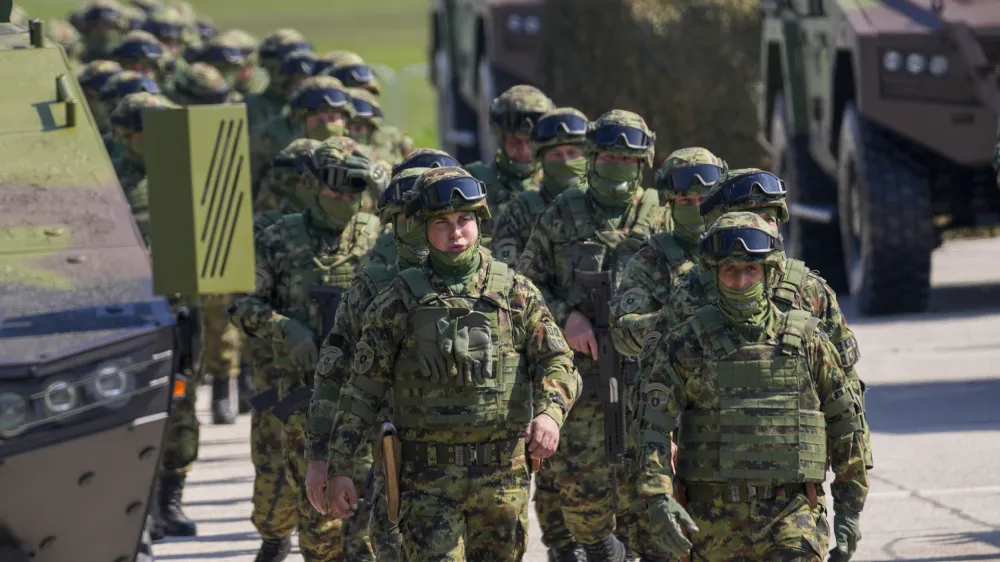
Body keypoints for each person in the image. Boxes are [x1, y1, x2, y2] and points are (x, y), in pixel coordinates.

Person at [324, 166, 581, 561]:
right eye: (442, 223)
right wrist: (339, 464)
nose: (456, 232)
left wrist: (549, 414)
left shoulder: (515, 291)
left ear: (479, 222)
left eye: (465, 220)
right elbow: (362, 389)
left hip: (502, 479)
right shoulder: (398, 301)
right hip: (426, 481)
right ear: (422, 228)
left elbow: (558, 360)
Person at [633, 211, 869, 562]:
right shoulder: (686, 344)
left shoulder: (807, 341)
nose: (741, 281)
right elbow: (651, 426)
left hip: (792, 514)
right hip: (710, 521)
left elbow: (847, 424)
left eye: (751, 270)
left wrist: (849, 509)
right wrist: (658, 499)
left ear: (769, 272)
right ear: (714, 274)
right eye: (730, 270)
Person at [229, 137, 383, 562]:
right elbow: (240, 303)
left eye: (352, 190)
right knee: (317, 513)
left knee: (370, 507)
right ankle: (279, 540)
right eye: (333, 189)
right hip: (299, 395)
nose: (343, 199)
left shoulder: (380, 238)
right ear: (312, 185)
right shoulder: (278, 239)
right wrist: (284, 328)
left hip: (367, 393)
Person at [305, 167, 432, 562]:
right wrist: (321, 457)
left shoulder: (493, 282)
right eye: (410, 219)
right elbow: (334, 375)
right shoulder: (374, 285)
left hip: (479, 466)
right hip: (397, 455)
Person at [609, 147, 727, 357]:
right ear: (669, 204)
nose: (697, 208)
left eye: (704, 199)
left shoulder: (743, 246)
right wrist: (675, 318)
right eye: (685, 202)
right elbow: (622, 333)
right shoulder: (651, 260)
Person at [491, 107, 589, 267]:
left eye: (572, 153)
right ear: (541, 160)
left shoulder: (605, 205)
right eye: (556, 154)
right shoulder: (519, 212)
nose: (565, 162)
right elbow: (506, 276)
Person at [465, 85, 552, 247]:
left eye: (531, 142)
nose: (525, 151)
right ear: (501, 140)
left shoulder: (557, 182)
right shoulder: (475, 183)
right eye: (515, 142)